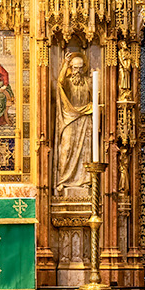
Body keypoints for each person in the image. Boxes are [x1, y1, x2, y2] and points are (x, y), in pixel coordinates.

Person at [54, 52, 93, 196]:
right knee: (67, 148)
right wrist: (64, 64)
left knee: (85, 152)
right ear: (71, 68)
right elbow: (59, 83)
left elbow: (96, 97)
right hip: (69, 118)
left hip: (85, 118)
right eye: (75, 68)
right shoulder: (67, 82)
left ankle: (84, 180)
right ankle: (63, 180)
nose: (78, 71)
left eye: (80, 68)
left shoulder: (88, 82)